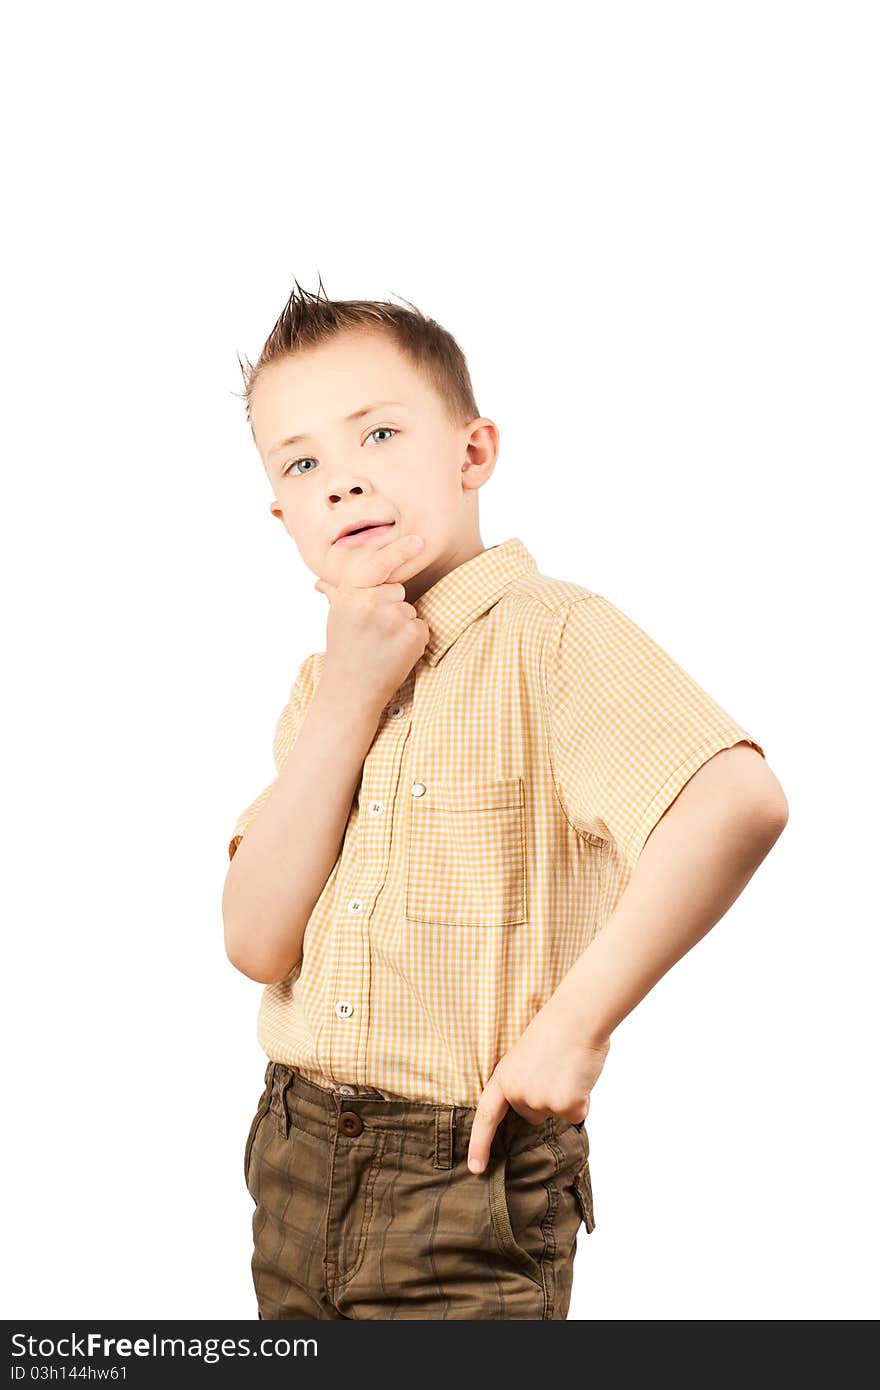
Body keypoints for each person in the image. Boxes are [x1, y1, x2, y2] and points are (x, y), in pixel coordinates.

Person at [222, 280, 788, 1320]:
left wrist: (575, 1026)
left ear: (472, 454)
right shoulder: (321, 686)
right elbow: (258, 942)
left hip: (462, 1174)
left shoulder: (551, 635)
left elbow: (733, 797)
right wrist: (349, 697)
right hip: (293, 1153)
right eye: (303, 464)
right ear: (282, 514)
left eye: (379, 435)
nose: (343, 483)